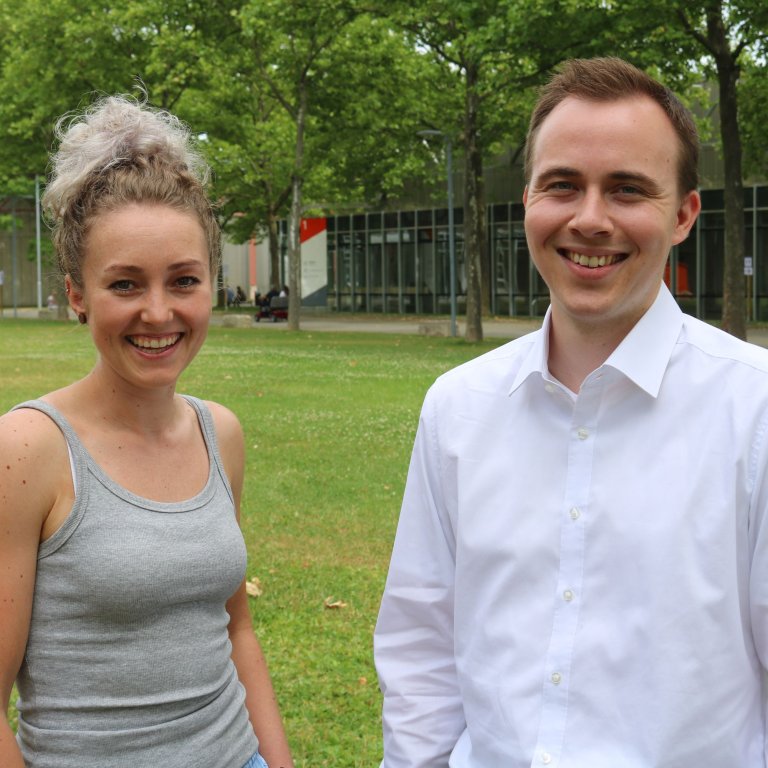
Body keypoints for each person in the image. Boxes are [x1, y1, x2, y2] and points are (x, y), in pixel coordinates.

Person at [374, 56, 768, 766]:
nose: (589, 219)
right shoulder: (458, 410)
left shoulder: (756, 411)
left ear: (683, 216)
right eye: (562, 186)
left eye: (626, 190)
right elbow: (420, 647)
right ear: (526, 199)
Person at [0, 95, 294, 768]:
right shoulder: (29, 450)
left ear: (212, 284)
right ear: (77, 293)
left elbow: (236, 631)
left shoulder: (220, 432)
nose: (158, 313)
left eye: (183, 280)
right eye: (125, 284)